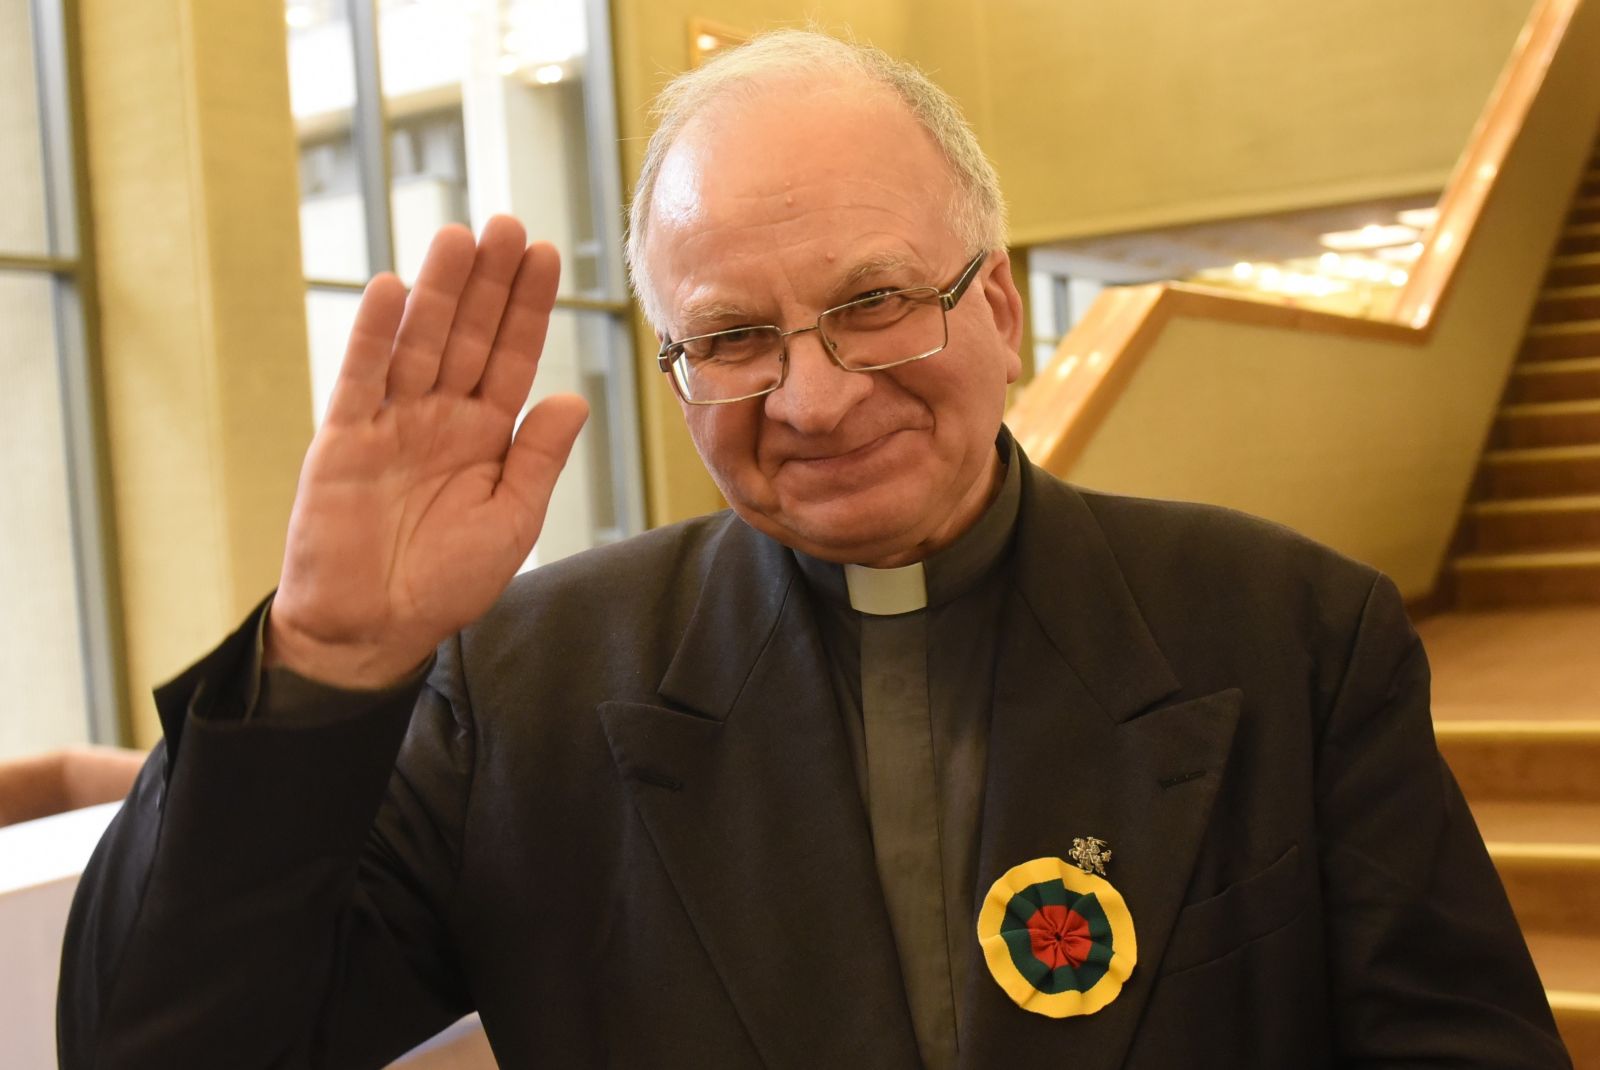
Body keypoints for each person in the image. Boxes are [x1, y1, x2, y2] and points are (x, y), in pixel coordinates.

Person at [59, 30, 1570, 1070]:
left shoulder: (1291, 631)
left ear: (997, 308)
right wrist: (326, 661)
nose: (817, 396)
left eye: (874, 303)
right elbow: (160, 1046)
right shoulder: (519, 688)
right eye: (730, 338)